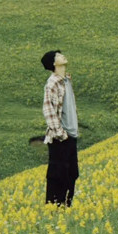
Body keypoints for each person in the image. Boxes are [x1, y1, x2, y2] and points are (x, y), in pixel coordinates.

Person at [41, 50, 79, 206]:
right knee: (58, 175)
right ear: (54, 63)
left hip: (71, 135)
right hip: (60, 138)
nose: (62, 55)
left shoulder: (66, 80)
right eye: (58, 55)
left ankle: (65, 206)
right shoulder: (52, 84)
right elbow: (48, 110)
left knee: (72, 174)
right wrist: (61, 134)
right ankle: (54, 207)